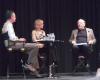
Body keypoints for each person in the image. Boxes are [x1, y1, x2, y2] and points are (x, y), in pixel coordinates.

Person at [2, 10, 42, 77]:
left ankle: (32, 68)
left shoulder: (7, 24)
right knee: (35, 45)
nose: (15, 18)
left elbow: (12, 37)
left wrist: (18, 39)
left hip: (10, 44)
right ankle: (29, 64)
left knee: (31, 50)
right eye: (14, 16)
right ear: (11, 17)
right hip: (11, 44)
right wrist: (20, 40)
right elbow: (12, 38)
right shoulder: (8, 24)